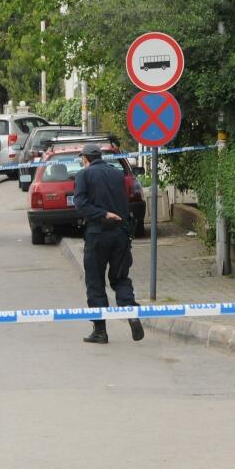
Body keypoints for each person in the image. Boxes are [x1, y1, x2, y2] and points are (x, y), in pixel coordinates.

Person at [72, 142, 143, 344]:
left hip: (98, 234)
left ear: (85, 159)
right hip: (121, 233)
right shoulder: (116, 174)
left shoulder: (84, 175)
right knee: (120, 278)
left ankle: (100, 331)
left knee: (95, 282)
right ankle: (132, 314)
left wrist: (102, 214)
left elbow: (80, 204)